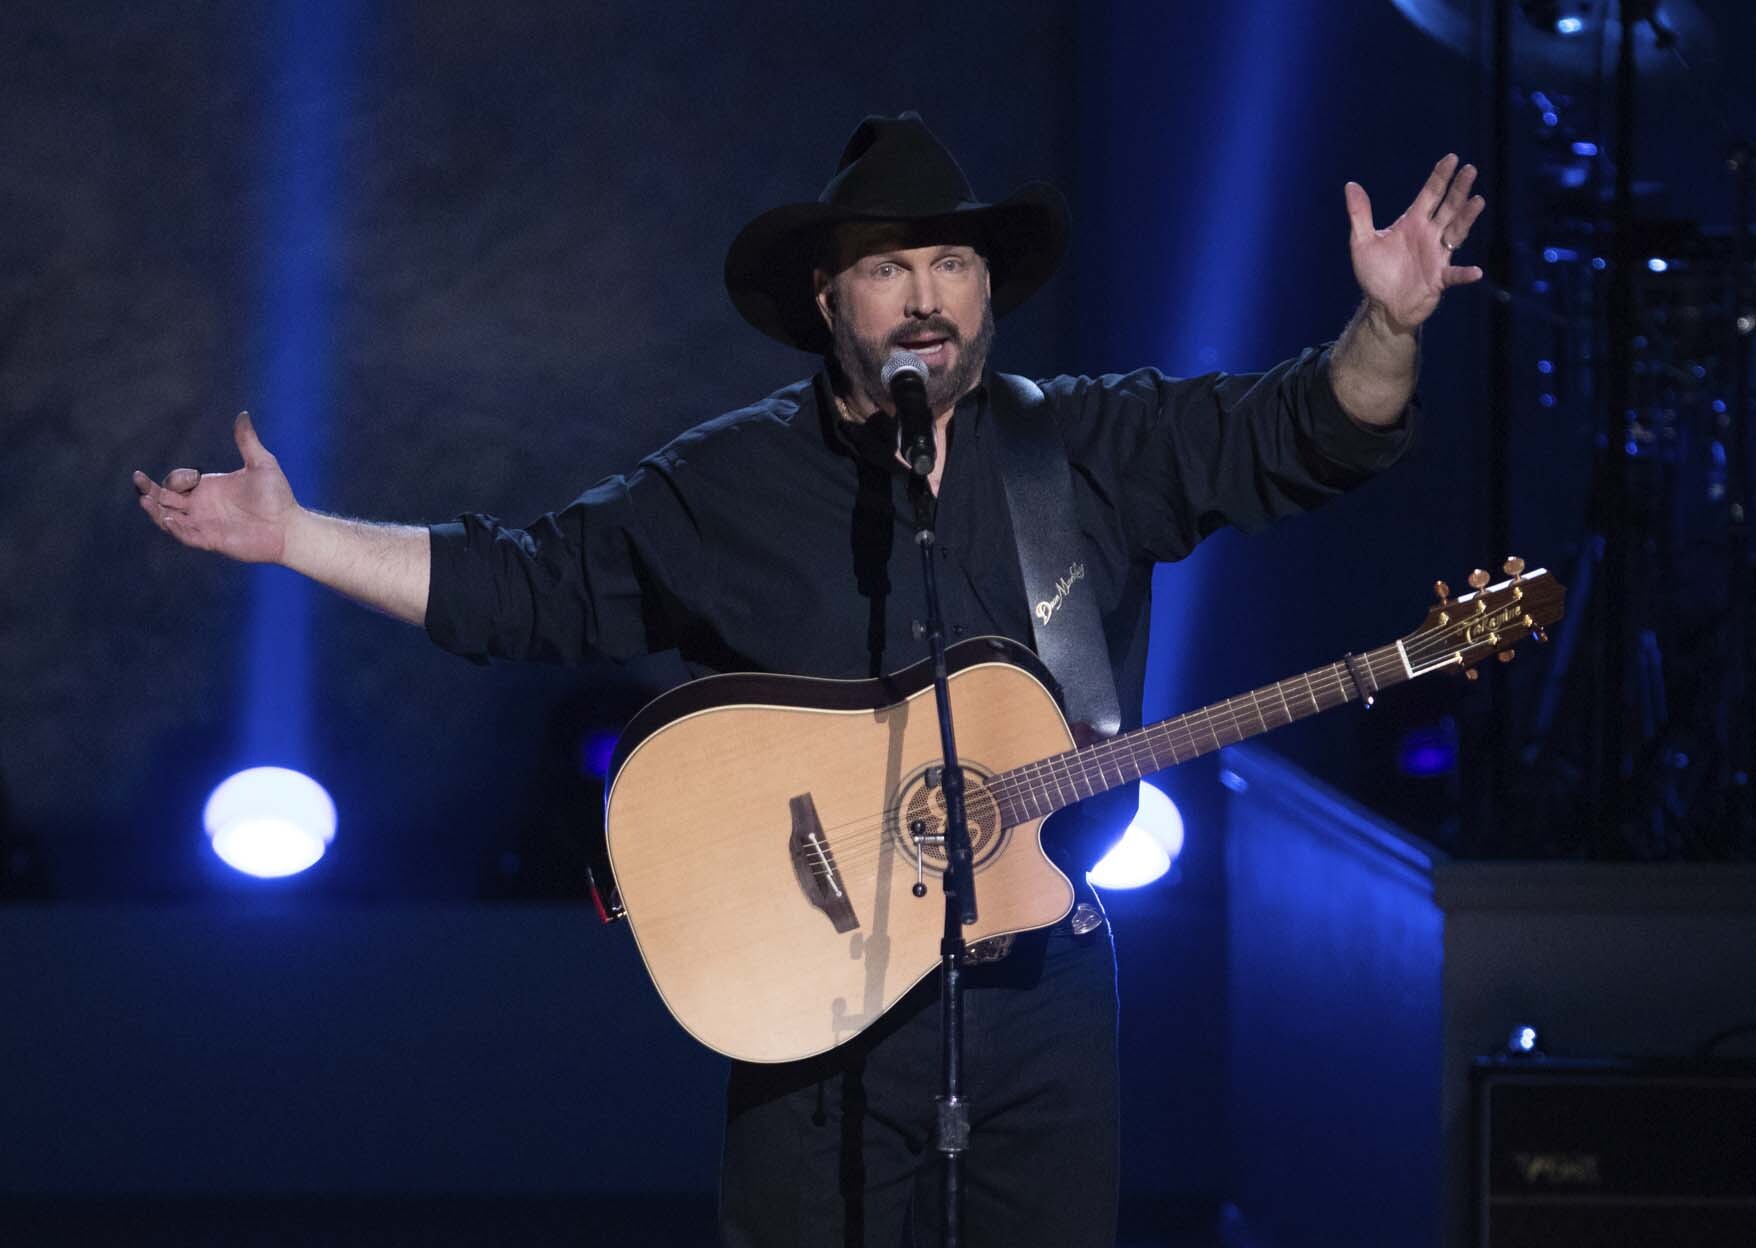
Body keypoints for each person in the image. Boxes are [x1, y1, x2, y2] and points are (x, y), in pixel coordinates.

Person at [134, 113, 1484, 1246]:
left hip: (1042, 1007)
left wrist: (1387, 323)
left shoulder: (1084, 447)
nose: (928, 295)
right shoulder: (729, 482)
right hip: (813, 1009)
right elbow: (524, 585)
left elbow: (1309, 432)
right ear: (829, 304)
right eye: (890, 268)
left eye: (952, 261)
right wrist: (297, 537)